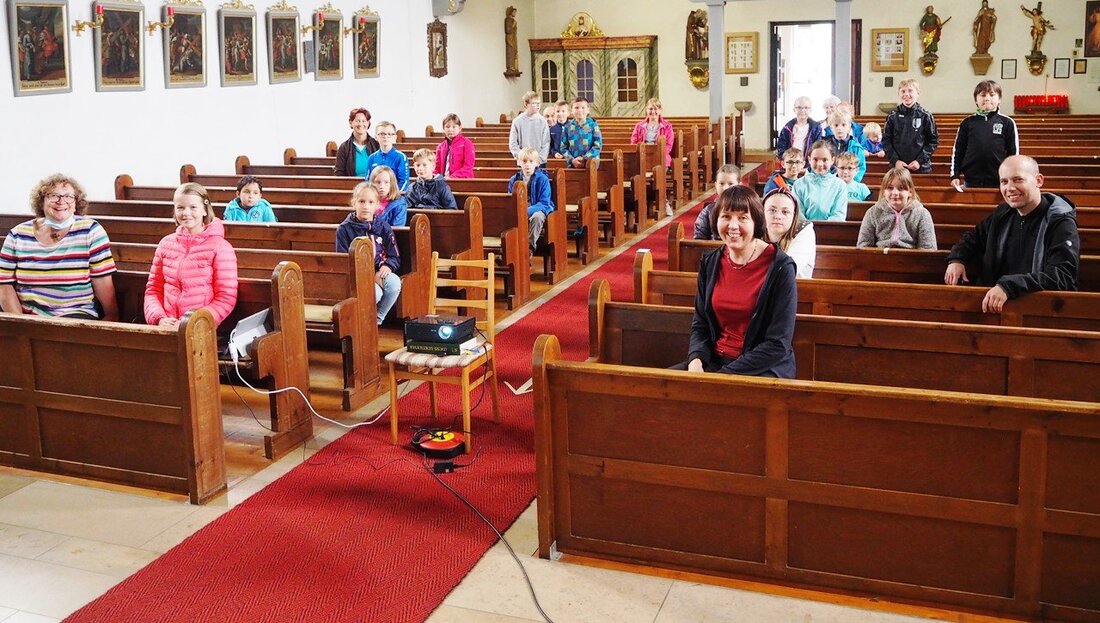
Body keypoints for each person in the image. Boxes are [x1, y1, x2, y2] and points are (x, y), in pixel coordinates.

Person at [673, 186, 797, 378]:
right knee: (657, 389)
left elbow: (778, 343)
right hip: (715, 361)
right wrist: (696, 360)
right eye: (726, 216)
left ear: (756, 221)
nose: (733, 225)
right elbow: (700, 324)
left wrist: (723, 375)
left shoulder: (780, 267)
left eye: (742, 218)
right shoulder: (711, 262)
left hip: (762, 367)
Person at [945, 155, 1078, 313]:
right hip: (993, 308)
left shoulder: (1060, 222)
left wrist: (1009, 285)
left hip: (1039, 312)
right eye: (1004, 181)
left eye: (1018, 180)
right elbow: (973, 237)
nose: (1010, 188)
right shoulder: (1003, 213)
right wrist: (957, 259)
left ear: (1039, 180)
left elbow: (1062, 276)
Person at [0, 174, 118, 320]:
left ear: (76, 203)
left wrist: (112, 317)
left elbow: (104, 285)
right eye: (53, 195)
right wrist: (21, 326)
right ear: (42, 202)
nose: (61, 201)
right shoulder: (18, 235)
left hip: (76, 314)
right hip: (27, 315)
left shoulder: (91, 231)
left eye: (68, 196)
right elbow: (4, 284)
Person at [144, 183, 238, 328]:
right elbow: (153, 289)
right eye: (180, 207)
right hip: (166, 326)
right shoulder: (165, 244)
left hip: (200, 328)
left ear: (205, 210)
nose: (186, 213)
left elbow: (226, 297)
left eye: (193, 207)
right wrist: (159, 318)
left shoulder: (220, 247)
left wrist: (193, 323)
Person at [335, 183, 402, 325]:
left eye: (370, 202)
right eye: (361, 201)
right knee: (375, 294)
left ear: (377, 204)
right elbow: (341, 260)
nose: (366, 206)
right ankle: (363, 324)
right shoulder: (344, 229)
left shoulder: (383, 226)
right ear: (354, 203)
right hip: (358, 276)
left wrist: (387, 266)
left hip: (380, 272)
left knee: (394, 283)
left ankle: (377, 319)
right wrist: (368, 276)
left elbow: (394, 255)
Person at [951, 80, 1019, 190]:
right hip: (971, 180)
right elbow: (958, 151)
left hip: (999, 181)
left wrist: (1011, 177)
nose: (987, 98)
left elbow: (1013, 154)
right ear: (976, 100)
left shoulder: (1007, 122)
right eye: (982, 95)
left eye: (992, 95)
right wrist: (955, 175)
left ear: (999, 99)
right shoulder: (967, 123)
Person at [857, 168, 937, 250]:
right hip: (880, 257)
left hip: (911, 258)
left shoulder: (922, 214)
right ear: (884, 192)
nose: (895, 193)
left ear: (910, 192)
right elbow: (864, 245)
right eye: (890, 188)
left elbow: (928, 247)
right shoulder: (873, 212)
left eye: (901, 188)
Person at [883, 79, 939, 174]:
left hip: (921, 167)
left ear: (918, 93)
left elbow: (933, 141)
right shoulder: (892, 116)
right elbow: (886, 141)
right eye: (903, 91)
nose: (906, 94)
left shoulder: (925, 115)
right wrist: (895, 161)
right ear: (898, 94)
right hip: (897, 168)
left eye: (910, 91)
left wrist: (919, 161)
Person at [509, 148, 555, 255]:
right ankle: (509, 250)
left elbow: (544, 203)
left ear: (537, 163)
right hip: (519, 209)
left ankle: (529, 248)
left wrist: (527, 210)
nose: (527, 165)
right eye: (524, 161)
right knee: (507, 217)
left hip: (540, 208)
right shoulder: (514, 179)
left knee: (537, 217)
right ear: (518, 162)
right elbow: (510, 200)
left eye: (531, 161)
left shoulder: (542, 179)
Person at [762, 187, 816, 279]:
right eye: (772, 210)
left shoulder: (804, 231)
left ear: (793, 215)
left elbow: (787, 271)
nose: (778, 216)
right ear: (762, 212)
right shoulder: (755, 229)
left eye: (785, 212)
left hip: (797, 290)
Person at [793, 140, 847, 222]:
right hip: (804, 231)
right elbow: (798, 214)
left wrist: (824, 228)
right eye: (815, 159)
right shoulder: (799, 184)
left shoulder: (840, 185)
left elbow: (839, 215)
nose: (820, 164)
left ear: (832, 160)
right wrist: (808, 228)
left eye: (825, 160)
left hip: (832, 230)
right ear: (809, 159)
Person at [694, 164, 740, 240]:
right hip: (715, 249)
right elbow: (699, 238)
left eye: (730, 184)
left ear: (739, 185)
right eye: (721, 184)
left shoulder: (747, 208)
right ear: (715, 185)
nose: (725, 188)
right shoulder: (708, 210)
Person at [334, 107, 380, 177]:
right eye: (357, 121)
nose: (360, 124)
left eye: (364, 121)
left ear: (368, 123)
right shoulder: (344, 147)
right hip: (351, 187)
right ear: (351, 123)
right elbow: (339, 173)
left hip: (373, 186)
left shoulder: (376, 145)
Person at [775, 96, 821, 165]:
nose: (802, 110)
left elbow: (818, 149)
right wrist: (788, 163)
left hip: (809, 167)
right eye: (799, 107)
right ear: (794, 109)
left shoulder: (816, 128)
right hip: (790, 166)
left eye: (806, 108)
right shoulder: (787, 128)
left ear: (810, 110)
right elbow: (781, 149)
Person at [630, 98, 675, 169]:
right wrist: (643, 154)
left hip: (661, 157)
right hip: (642, 157)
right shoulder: (639, 126)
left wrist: (656, 155)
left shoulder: (667, 126)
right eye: (650, 109)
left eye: (655, 109)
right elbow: (634, 142)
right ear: (646, 110)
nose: (653, 111)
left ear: (660, 110)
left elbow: (668, 145)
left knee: (659, 171)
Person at [559, 97, 603, 170]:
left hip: (590, 163)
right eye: (576, 108)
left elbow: (597, 145)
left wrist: (585, 158)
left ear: (588, 110)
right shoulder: (567, 127)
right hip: (573, 163)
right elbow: (563, 147)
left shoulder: (593, 125)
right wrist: (572, 160)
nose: (580, 110)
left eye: (583, 107)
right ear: (571, 111)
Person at [824, 110, 867, 182]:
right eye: (836, 125)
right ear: (831, 127)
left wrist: (852, 181)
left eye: (843, 125)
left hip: (849, 182)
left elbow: (861, 167)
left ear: (849, 127)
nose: (839, 128)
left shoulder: (856, 147)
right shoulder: (825, 145)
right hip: (829, 182)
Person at [364, 121, 409, 190]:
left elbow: (404, 182)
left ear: (395, 137)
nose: (385, 137)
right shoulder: (372, 158)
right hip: (376, 196)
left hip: (395, 196)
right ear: (376, 137)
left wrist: (396, 196)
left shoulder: (401, 157)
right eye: (382, 134)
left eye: (389, 134)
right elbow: (368, 181)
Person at [509, 91, 550, 164]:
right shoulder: (517, 121)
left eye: (539, 103)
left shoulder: (543, 121)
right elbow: (513, 143)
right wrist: (522, 158)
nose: (538, 105)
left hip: (539, 162)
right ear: (526, 104)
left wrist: (539, 160)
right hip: (523, 162)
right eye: (534, 103)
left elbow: (546, 143)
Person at [434, 113, 476, 179]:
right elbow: (437, 168)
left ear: (459, 128)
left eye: (454, 127)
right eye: (447, 127)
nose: (450, 130)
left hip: (462, 181)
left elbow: (468, 167)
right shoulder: (440, 147)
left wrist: (452, 177)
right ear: (443, 129)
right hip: (444, 182)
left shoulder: (466, 143)